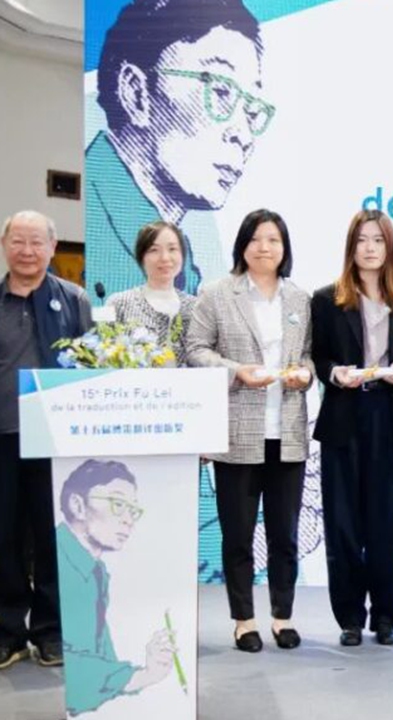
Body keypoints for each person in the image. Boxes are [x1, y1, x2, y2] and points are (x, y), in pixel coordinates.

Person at [186, 208, 313, 653]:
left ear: (285, 248)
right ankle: (244, 620)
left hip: (289, 432)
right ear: (243, 244)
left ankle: (283, 616)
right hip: (238, 432)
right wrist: (238, 370)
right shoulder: (217, 294)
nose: (265, 248)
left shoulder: (298, 298)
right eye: (257, 239)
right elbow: (196, 350)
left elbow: (310, 355)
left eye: (274, 240)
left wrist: (306, 374)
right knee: (237, 535)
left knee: (284, 535)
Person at [86, 0, 273, 300]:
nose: (243, 134)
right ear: (135, 93)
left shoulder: (184, 262)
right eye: (221, 92)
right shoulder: (94, 222)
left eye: (251, 111)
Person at [311, 210, 393, 647]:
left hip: (389, 419)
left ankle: (387, 617)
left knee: (385, 524)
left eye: (378, 240)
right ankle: (350, 618)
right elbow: (318, 357)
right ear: (350, 246)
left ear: (389, 247)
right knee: (343, 524)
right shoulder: (326, 299)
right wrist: (336, 374)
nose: (370, 248)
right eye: (362, 240)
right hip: (343, 418)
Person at [0, 210, 92, 670]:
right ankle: (9, 632)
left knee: (55, 539)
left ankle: (51, 632)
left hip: (57, 440)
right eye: (19, 241)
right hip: (3, 436)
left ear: (53, 248)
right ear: (4, 244)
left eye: (37, 242)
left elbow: (89, 367)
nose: (28, 251)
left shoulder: (73, 299)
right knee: (5, 537)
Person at [57, 460, 175, 715]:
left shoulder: (95, 570)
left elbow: (100, 662)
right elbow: (78, 673)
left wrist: (147, 673)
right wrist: (142, 675)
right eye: (118, 504)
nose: (128, 520)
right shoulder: (65, 561)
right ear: (78, 505)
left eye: (132, 510)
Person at [107, 220, 196, 363]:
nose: (165, 258)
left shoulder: (196, 307)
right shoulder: (119, 303)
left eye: (172, 249)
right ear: (141, 257)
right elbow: (105, 359)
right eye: (154, 250)